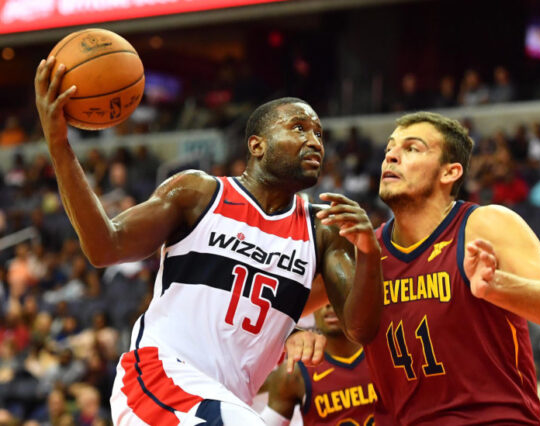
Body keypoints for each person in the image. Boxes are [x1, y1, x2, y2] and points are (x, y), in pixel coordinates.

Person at [35, 56, 382, 425]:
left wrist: (369, 252)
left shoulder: (321, 228)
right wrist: (60, 147)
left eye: (318, 134)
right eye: (298, 128)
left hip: (227, 401)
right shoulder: (199, 193)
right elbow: (106, 246)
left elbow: (360, 329)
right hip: (160, 377)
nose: (313, 141)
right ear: (257, 145)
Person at [364, 111, 540, 424]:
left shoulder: (484, 224)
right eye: (390, 147)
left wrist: (498, 286)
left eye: (412, 148)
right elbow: (297, 307)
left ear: (450, 172)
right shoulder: (366, 250)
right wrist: (299, 333)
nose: (391, 156)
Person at [261, 303, 376, 425]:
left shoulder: (382, 356)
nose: (329, 304)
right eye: (323, 299)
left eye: (334, 296)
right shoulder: (294, 373)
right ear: (313, 310)